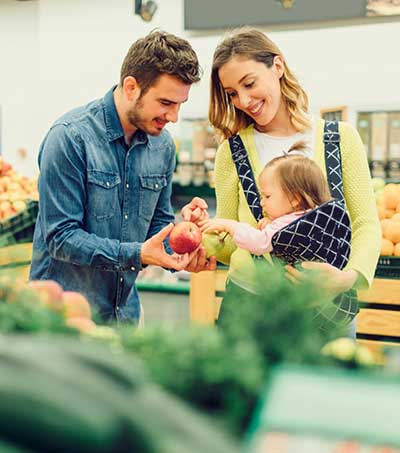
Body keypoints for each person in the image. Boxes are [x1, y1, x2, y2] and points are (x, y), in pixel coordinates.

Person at [194, 27, 380, 334]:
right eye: (232, 94)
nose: (243, 100)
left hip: (328, 305)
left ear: (277, 67)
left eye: (249, 83)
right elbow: (229, 244)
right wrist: (204, 230)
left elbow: (365, 224)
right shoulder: (232, 151)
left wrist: (345, 279)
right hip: (250, 308)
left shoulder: (340, 139)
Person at [30, 30, 215, 324]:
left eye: (180, 104)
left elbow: (157, 225)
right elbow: (61, 238)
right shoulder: (70, 137)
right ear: (131, 87)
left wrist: (182, 242)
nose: (174, 117)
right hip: (62, 319)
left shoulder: (163, 146)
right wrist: (138, 254)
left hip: (125, 316)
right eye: (166, 103)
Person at [199, 142, 332, 256]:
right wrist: (272, 223)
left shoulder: (289, 223)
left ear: (295, 198)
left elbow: (260, 242)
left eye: (267, 196)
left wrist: (230, 226)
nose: (262, 203)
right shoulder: (314, 218)